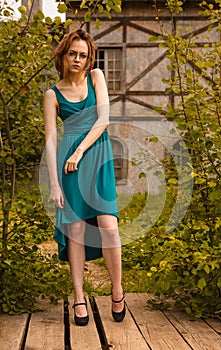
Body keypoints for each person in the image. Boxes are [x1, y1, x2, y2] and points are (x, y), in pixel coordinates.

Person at [43, 28, 125, 326]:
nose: (78, 59)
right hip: (68, 169)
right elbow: (51, 141)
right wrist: (54, 184)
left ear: (89, 58)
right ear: (63, 55)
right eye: (72, 54)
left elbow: (103, 119)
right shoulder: (52, 94)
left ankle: (117, 291)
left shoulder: (96, 78)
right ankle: (79, 297)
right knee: (75, 231)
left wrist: (80, 152)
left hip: (96, 158)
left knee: (109, 227)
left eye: (83, 55)